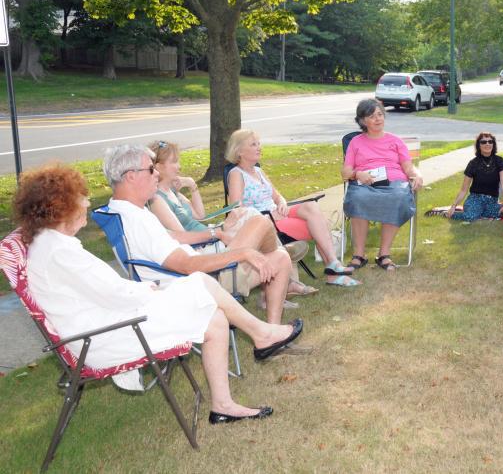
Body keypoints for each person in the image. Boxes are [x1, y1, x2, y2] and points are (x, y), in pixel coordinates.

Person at [14, 164, 303, 424]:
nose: (87, 202)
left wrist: (147, 289)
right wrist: (149, 288)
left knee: (212, 315)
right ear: (60, 206)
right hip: (104, 338)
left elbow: (107, 292)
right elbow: (115, 293)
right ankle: (262, 334)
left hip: (104, 326)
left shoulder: (51, 245)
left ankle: (223, 405)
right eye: (81, 197)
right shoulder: (59, 252)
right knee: (200, 284)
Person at [103, 144, 292, 324]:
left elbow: (177, 234)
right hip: (207, 276)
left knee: (280, 256)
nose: (157, 174)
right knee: (259, 221)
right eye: (151, 169)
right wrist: (237, 249)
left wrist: (215, 231)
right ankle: (269, 255)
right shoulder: (140, 216)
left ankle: (274, 331)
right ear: (130, 176)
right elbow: (187, 264)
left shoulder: (132, 212)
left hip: (203, 261)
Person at [147, 140, 317, 303]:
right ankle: (282, 263)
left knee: (248, 214)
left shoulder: (174, 193)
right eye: (174, 162)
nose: (179, 166)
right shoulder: (157, 200)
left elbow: (200, 216)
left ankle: (279, 262)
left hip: (209, 235)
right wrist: (219, 232)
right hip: (203, 246)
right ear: (158, 166)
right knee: (254, 219)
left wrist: (193, 187)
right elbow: (182, 236)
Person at [225, 130, 359, 287]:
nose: (259, 147)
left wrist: (281, 203)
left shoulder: (258, 171)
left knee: (312, 207)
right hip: (264, 222)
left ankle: (333, 264)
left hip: (278, 212)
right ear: (239, 151)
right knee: (318, 225)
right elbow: (237, 210)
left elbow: (277, 196)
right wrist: (268, 216)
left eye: (258, 143)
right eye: (253, 144)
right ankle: (334, 271)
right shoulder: (236, 174)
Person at [340, 99, 423, 271]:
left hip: (394, 182)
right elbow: (345, 172)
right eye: (372, 116)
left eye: (380, 114)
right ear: (363, 121)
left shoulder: (396, 141)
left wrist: (416, 174)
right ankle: (359, 255)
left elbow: (408, 166)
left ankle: (384, 254)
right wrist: (358, 174)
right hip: (365, 182)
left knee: (398, 197)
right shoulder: (355, 142)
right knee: (357, 197)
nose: (378, 119)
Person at [446, 132, 503, 221]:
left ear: (493, 144)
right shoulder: (473, 163)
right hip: (475, 199)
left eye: (490, 141)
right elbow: (463, 190)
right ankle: (448, 213)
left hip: (492, 200)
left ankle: (478, 211)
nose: (487, 144)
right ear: (478, 145)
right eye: (483, 142)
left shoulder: (500, 161)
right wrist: (453, 206)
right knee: (471, 217)